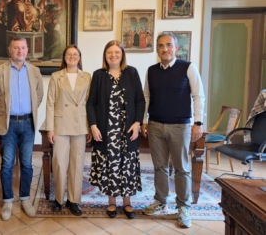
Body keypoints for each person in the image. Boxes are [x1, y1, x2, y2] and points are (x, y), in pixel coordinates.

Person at [141, 32, 205, 228]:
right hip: (155, 125)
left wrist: (198, 122)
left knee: (182, 168)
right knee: (159, 167)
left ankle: (183, 207)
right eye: (161, 46)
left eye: (169, 45)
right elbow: (146, 97)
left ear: (176, 48)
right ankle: (160, 201)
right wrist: (144, 120)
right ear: (157, 49)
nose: (165, 49)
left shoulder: (188, 67)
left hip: (180, 126)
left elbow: (198, 95)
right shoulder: (151, 70)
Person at [0, 36, 43, 221]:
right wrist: (2, 114)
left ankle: (25, 198)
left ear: (28, 50)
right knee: (7, 164)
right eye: (16, 48)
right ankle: (8, 200)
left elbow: (39, 95)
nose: (20, 51)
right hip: (8, 124)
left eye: (23, 48)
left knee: (27, 163)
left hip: (28, 123)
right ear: (9, 50)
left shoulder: (34, 71)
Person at [86, 40, 145, 219]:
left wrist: (137, 122)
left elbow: (140, 100)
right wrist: (93, 125)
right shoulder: (98, 75)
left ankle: (127, 203)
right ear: (105, 55)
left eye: (117, 52)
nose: (113, 55)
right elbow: (91, 102)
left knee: (126, 164)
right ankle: (112, 202)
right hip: (106, 129)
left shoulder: (132, 72)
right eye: (110, 52)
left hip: (127, 130)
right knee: (110, 164)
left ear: (122, 54)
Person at [46, 45, 91, 216]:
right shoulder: (56, 76)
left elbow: (89, 103)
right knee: (59, 163)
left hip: (80, 125)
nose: (72, 57)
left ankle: (74, 200)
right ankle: (59, 199)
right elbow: (50, 103)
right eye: (69, 54)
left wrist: (89, 126)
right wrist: (50, 128)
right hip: (60, 126)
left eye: (75, 54)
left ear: (79, 57)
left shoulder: (87, 77)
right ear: (64, 57)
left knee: (77, 164)